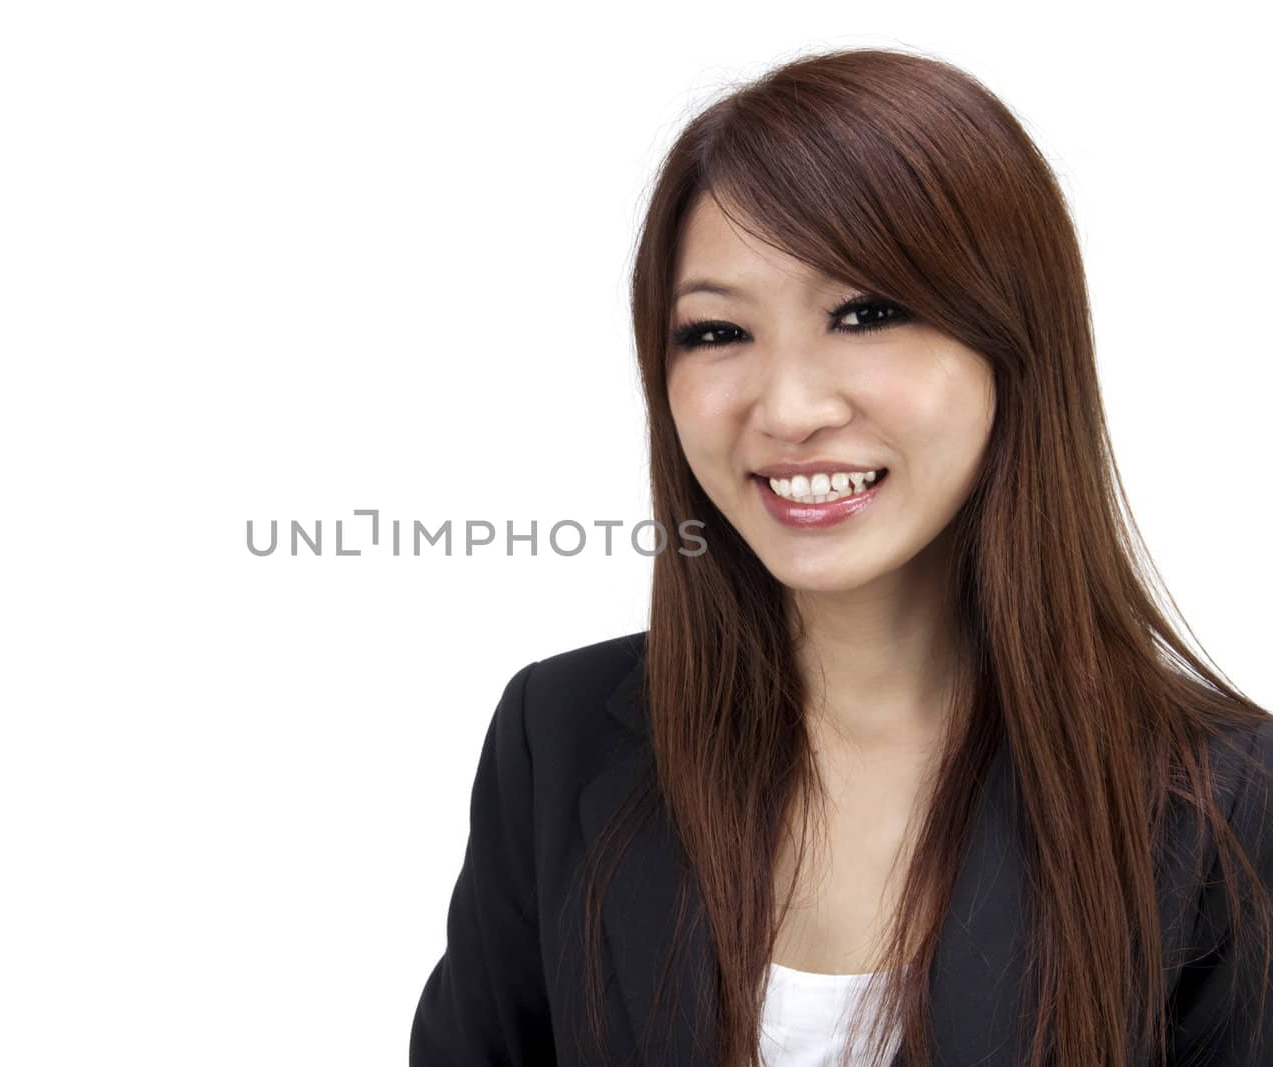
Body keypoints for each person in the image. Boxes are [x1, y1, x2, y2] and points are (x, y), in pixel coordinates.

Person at [408, 46, 1273, 1067]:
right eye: (716, 330)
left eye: (863, 314)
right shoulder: (555, 738)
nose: (786, 408)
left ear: (1013, 343)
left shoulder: (1221, 799)